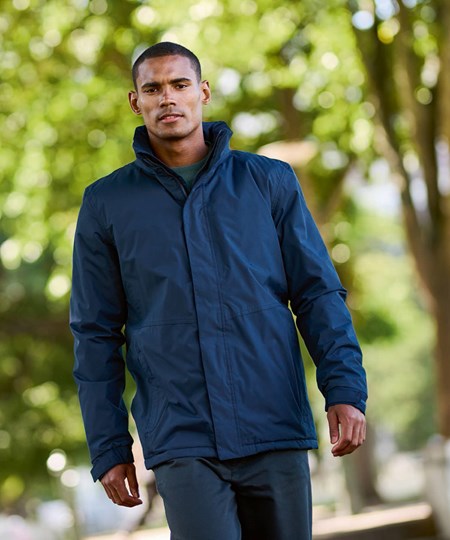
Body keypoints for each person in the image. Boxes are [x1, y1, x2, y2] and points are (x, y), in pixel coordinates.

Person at [70, 41, 367, 540]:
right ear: (135, 102)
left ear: (203, 92)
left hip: (273, 421)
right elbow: (95, 334)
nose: (168, 98)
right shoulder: (106, 203)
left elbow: (317, 294)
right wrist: (109, 447)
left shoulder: (268, 181)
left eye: (180, 84)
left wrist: (344, 389)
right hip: (181, 438)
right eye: (153, 89)